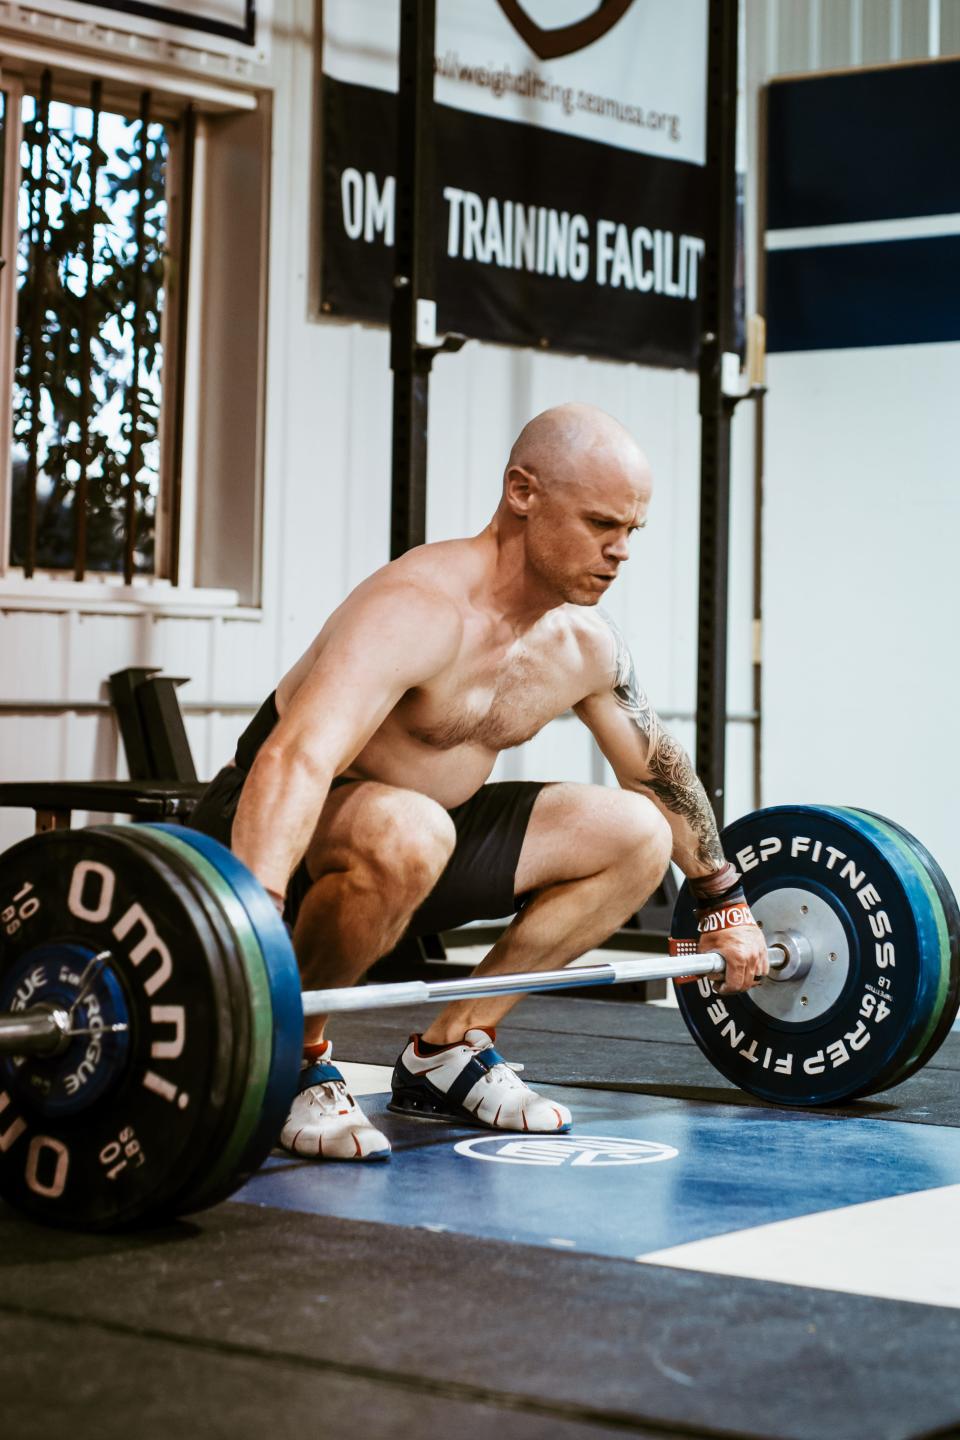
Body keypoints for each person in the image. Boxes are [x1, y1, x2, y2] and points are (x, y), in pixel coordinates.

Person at [189, 402, 767, 1160]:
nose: (621, 551)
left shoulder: (581, 645)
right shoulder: (416, 608)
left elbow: (659, 771)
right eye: (601, 524)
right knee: (410, 829)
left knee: (637, 834)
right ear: (522, 493)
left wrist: (723, 900)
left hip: (423, 839)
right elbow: (296, 757)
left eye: (632, 531)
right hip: (268, 836)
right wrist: (251, 919)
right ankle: (292, 1059)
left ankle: (450, 1052)